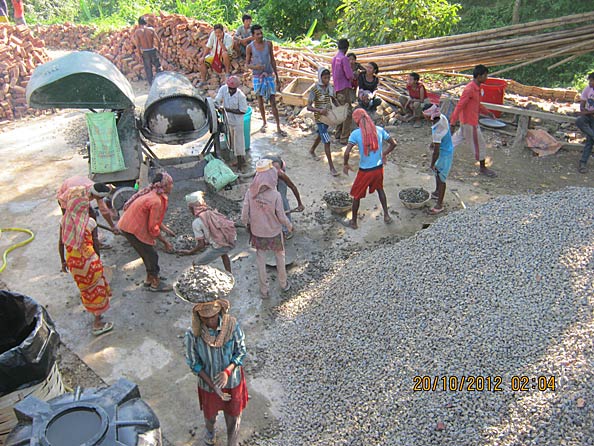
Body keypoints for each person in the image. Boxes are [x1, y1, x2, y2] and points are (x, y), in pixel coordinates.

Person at [184, 299, 247, 446]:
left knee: (233, 416)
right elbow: (194, 363)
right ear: (199, 317)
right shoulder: (193, 334)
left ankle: (232, 442)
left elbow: (241, 352)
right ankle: (210, 431)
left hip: (232, 381)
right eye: (205, 318)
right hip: (208, 384)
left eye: (213, 316)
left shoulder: (231, 326)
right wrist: (214, 386)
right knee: (210, 415)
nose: (210, 321)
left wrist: (227, 371)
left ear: (219, 312)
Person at [60, 186, 113, 336]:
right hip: (89, 261)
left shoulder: (64, 220)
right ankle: (98, 323)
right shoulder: (88, 222)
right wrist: (98, 260)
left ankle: (93, 312)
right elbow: (95, 243)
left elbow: (61, 242)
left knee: (85, 289)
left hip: (73, 262)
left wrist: (63, 261)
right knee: (97, 289)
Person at [241, 160, 293, 298]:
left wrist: (247, 225)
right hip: (274, 232)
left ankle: (264, 291)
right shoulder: (275, 195)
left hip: (258, 233)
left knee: (260, 259)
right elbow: (281, 216)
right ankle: (283, 284)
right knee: (280, 257)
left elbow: (244, 215)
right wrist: (289, 225)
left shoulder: (250, 193)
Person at [118, 172, 176, 292]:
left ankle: (150, 278)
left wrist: (166, 230)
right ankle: (155, 283)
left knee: (146, 254)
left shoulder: (153, 193)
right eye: (171, 184)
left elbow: (154, 219)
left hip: (127, 225)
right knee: (152, 256)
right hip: (132, 228)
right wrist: (165, 242)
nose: (172, 186)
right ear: (164, 186)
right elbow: (153, 227)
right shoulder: (155, 201)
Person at [343, 109, 397, 229]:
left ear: (357, 120)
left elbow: (346, 153)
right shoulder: (379, 130)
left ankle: (354, 222)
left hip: (365, 171)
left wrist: (345, 164)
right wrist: (384, 154)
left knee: (356, 196)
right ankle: (387, 216)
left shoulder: (356, 134)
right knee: (380, 190)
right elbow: (393, 143)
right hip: (378, 168)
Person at [57, 177, 118, 272]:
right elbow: (63, 202)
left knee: (87, 223)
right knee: (73, 228)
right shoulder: (75, 196)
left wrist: (112, 226)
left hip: (73, 199)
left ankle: (92, 241)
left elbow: (104, 211)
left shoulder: (95, 189)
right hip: (65, 198)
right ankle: (81, 242)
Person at [450, 64, 497, 178]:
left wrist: (487, 112)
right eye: (485, 75)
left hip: (467, 121)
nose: (487, 78)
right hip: (470, 123)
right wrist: (452, 122)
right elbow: (459, 106)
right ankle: (482, 168)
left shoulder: (477, 88)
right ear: (479, 76)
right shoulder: (470, 89)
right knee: (480, 145)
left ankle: (438, 151)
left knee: (454, 141)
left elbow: (477, 104)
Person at [177, 192, 237, 273]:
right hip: (229, 239)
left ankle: (204, 282)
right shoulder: (212, 212)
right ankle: (229, 273)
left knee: (196, 263)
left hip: (221, 245)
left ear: (192, 208)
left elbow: (201, 245)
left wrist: (190, 252)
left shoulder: (197, 222)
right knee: (223, 253)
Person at [246, 24, 287, 137]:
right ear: (253, 36)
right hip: (257, 76)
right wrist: (256, 67)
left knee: (273, 100)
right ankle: (264, 122)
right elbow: (247, 64)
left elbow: (272, 60)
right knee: (260, 99)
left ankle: (278, 126)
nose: (260, 35)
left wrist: (277, 77)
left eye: (261, 33)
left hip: (268, 75)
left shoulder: (268, 44)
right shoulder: (250, 47)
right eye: (257, 34)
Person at [262, 154, 305, 239]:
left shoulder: (280, 174)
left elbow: (293, 187)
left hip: (278, 169)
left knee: (281, 199)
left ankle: (287, 229)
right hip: (267, 169)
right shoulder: (261, 175)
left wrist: (300, 203)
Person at [307, 67, 339, 176]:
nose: (327, 79)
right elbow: (308, 107)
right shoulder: (315, 89)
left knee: (321, 135)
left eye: (328, 77)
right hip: (320, 118)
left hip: (328, 117)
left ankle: (312, 150)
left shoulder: (329, 88)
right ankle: (331, 167)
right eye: (325, 78)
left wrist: (340, 108)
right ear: (320, 78)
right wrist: (319, 110)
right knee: (327, 140)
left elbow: (333, 99)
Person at [215, 76, 248, 170]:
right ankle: (241, 160)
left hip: (238, 122)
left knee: (239, 142)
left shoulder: (241, 96)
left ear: (236, 88)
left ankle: (240, 165)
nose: (231, 91)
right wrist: (217, 106)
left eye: (233, 89)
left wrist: (226, 109)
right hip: (228, 121)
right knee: (232, 141)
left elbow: (242, 111)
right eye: (230, 88)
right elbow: (217, 99)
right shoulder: (223, 89)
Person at [429, 110, 455, 214]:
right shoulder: (442, 117)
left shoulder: (437, 132)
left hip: (444, 155)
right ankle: (437, 192)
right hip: (445, 150)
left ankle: (439, 205)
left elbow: (436, 151)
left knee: (441, 178)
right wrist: (433, 142)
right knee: (437, 172)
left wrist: (432, 164)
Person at [332, 38, 355, 144]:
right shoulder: (344, 59)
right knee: (347, 113)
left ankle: (337, 134)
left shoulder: (335, 58)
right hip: (344, 88)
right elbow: (349, 75)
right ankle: (344, 137)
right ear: (346, 48)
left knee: (340, 111)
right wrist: (354, 75)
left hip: (337, 88)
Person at [133, 16, 161, 85]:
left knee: (148, 69)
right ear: (146, 22)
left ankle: (151, 84)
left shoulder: (137, 32)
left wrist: (139, 55)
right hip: (152, 50)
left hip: (145, 52)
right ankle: (161, 81)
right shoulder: (151, 30)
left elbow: (138, 45)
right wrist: (158, 49)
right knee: (158, 67)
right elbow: (158, 40)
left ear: (139, 24)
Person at [576, 72, 594, 174]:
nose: (590, 83)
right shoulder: (588, 89)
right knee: (579, 120)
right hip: (588, 115)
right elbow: (582, 102)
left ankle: (583, 163)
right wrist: (583, 110)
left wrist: (585, 112)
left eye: (592, 81)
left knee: (589, 141)